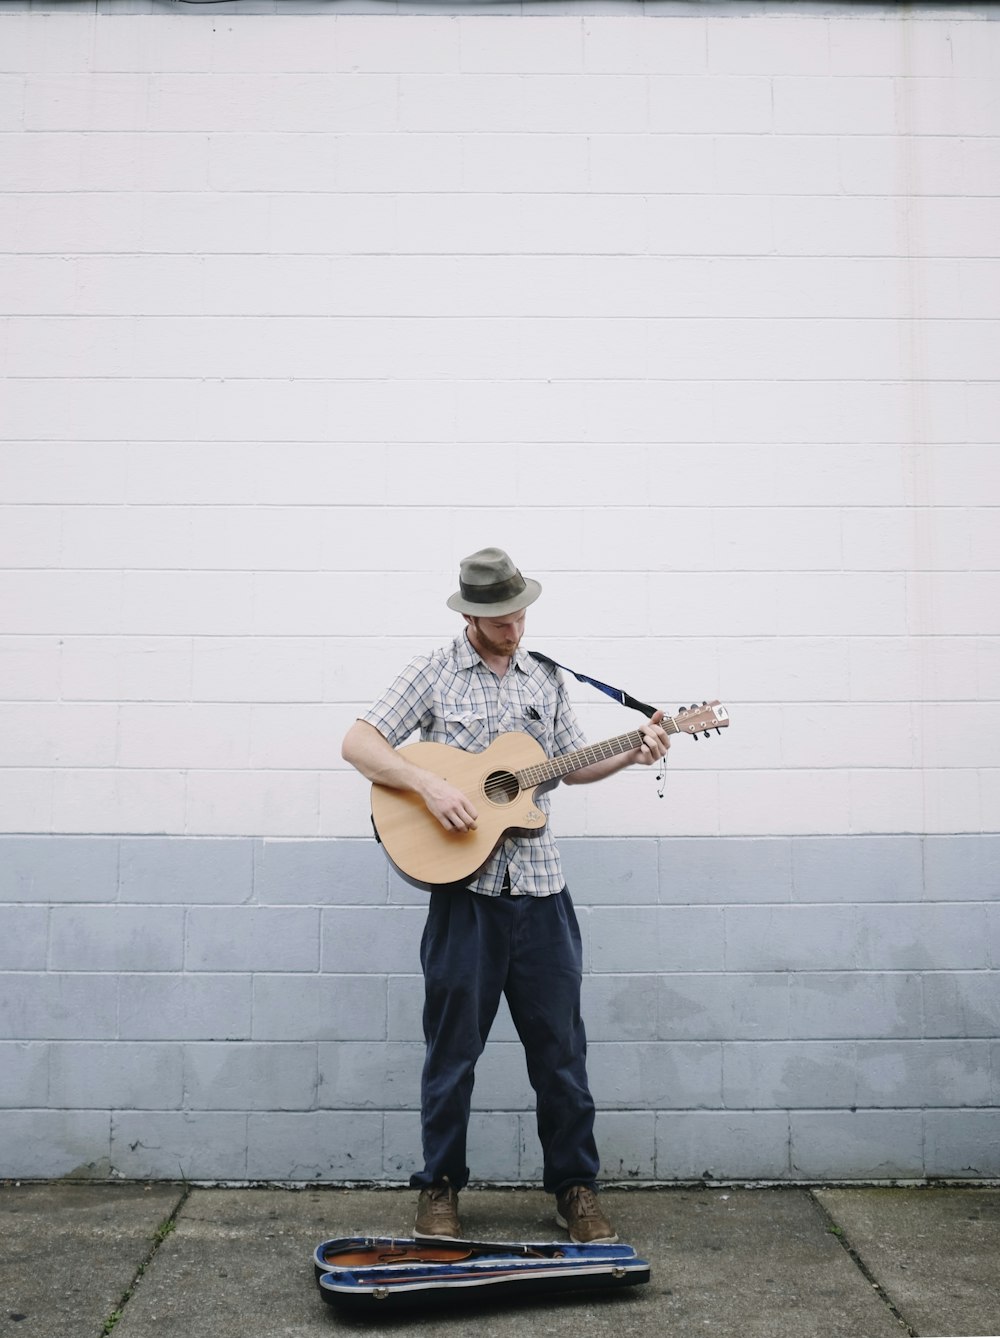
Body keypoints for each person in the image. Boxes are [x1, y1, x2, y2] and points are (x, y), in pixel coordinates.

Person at [341, 547, 670, 1245]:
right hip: (468, 897)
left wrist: (635, 750)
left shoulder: (546, 677)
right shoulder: (432, 671)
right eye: (498, 619)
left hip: (543, 891)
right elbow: (359, 742)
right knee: (452, 1053)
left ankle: (575, 1188)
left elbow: (574, 765)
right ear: (470, 614)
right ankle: (438, 1187)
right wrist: (427, 785)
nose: (512, 628)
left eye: (519, 613)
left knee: (560, 1051)